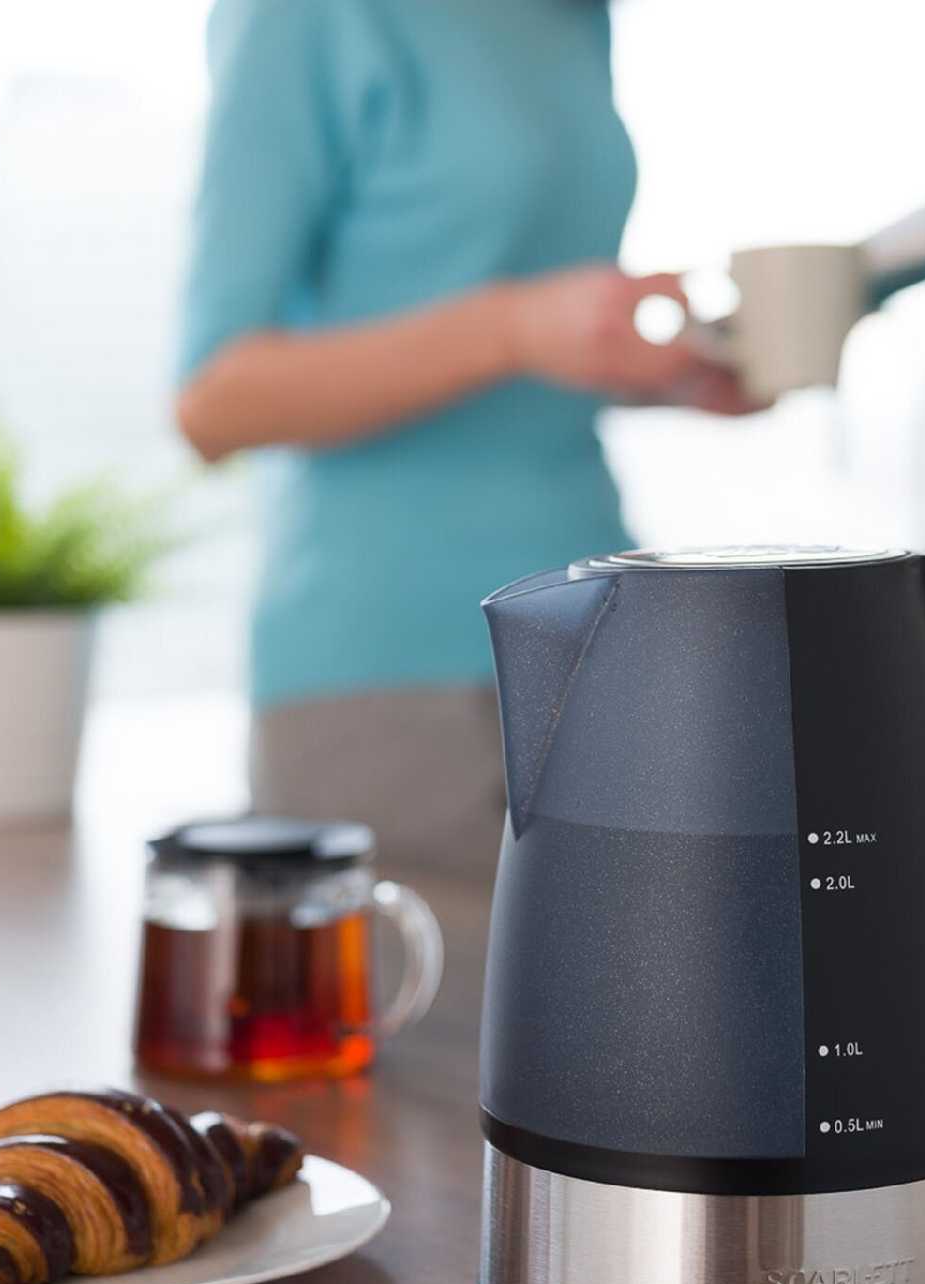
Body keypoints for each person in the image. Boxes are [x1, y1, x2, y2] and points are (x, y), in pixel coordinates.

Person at [176, 0, 755, 875]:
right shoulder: (309, 15)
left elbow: (510, 357)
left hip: (603, 637)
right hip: (390, 669)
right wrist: (513, 329)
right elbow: (215, 402)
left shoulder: (573, 17)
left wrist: (659, 373)